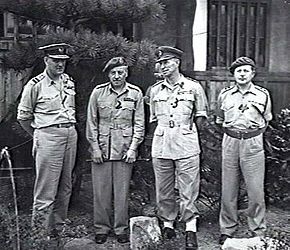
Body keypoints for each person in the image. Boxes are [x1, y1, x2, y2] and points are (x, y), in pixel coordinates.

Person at [149, 46, 208, 250]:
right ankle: (168, 223)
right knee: (164, 186)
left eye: (166, 62)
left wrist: (189, 134)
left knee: (188, 187)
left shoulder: (193, 87)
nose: (162, 66)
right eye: (160, 63)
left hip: (186, 142)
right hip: (163, 141)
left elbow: (201, 117)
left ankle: (190, 226)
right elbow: (153, 119)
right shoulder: (155, 90)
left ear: (177, 63)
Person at [17, 43, 78, 236]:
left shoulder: (68, 81)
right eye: (55, 61)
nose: (60, 65)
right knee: (46, 190)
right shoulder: (35, 85)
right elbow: (23, 116)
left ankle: (57, 230)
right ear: (46, 60)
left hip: (70, 135)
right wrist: (39, 134)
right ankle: (39, 236)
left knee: (65, 186)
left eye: (63, 61)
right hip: (48, 136)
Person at [86, 56, 145, 244]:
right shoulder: (98, 93)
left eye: (120, 72)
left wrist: (134, 148)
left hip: (125, 149)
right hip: (102, 149)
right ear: (108, 74)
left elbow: (139, 123)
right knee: (101, 191)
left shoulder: (135, 93)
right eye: (113, 73)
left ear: (126, 73)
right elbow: (91, 122)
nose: (117, 76)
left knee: (122, 192)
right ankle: (101, 228)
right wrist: (94, 147)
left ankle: (121, 228)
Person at [216, 57, 272, 245]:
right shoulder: (224, 94)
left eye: (246, 71)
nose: (242, 74)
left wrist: (253, 136)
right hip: (230, 141)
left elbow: (267, 119)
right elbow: (219, 119)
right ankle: (227, 229)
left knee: (255, 190)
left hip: (253, 142)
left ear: (252, 74)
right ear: (233, 75)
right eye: (238, 71)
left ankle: (257, 230)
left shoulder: (263, 94)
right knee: (228, 189)